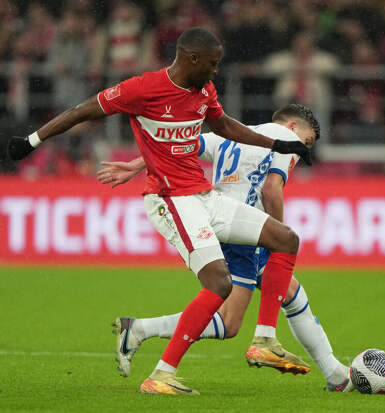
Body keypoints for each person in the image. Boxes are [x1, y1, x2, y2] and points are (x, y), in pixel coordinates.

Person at [4, 27, 312, 396]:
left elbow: (226, 126)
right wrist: (32, 141)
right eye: (212, 63)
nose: (216, 71)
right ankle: (161, 375)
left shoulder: (204, 90)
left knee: (285, 238)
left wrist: (277, 144)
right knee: (219, 284)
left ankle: (264, 338)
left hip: (202, 195)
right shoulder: (142, 89)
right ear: (192, 59)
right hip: (169, 199)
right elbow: (81, 110)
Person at [99, 103, 353, 392]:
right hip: (246, 231)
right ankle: (309, 362)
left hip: (221, 223)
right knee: (269, 295)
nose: (303, 150)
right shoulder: (285, 139)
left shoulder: (230, 135)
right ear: (293, 127)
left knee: (255, 311)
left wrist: (135, 165)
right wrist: (276, 236)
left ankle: (139, 330)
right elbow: (271, 190)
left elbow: (177, 148)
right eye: (306, 142)